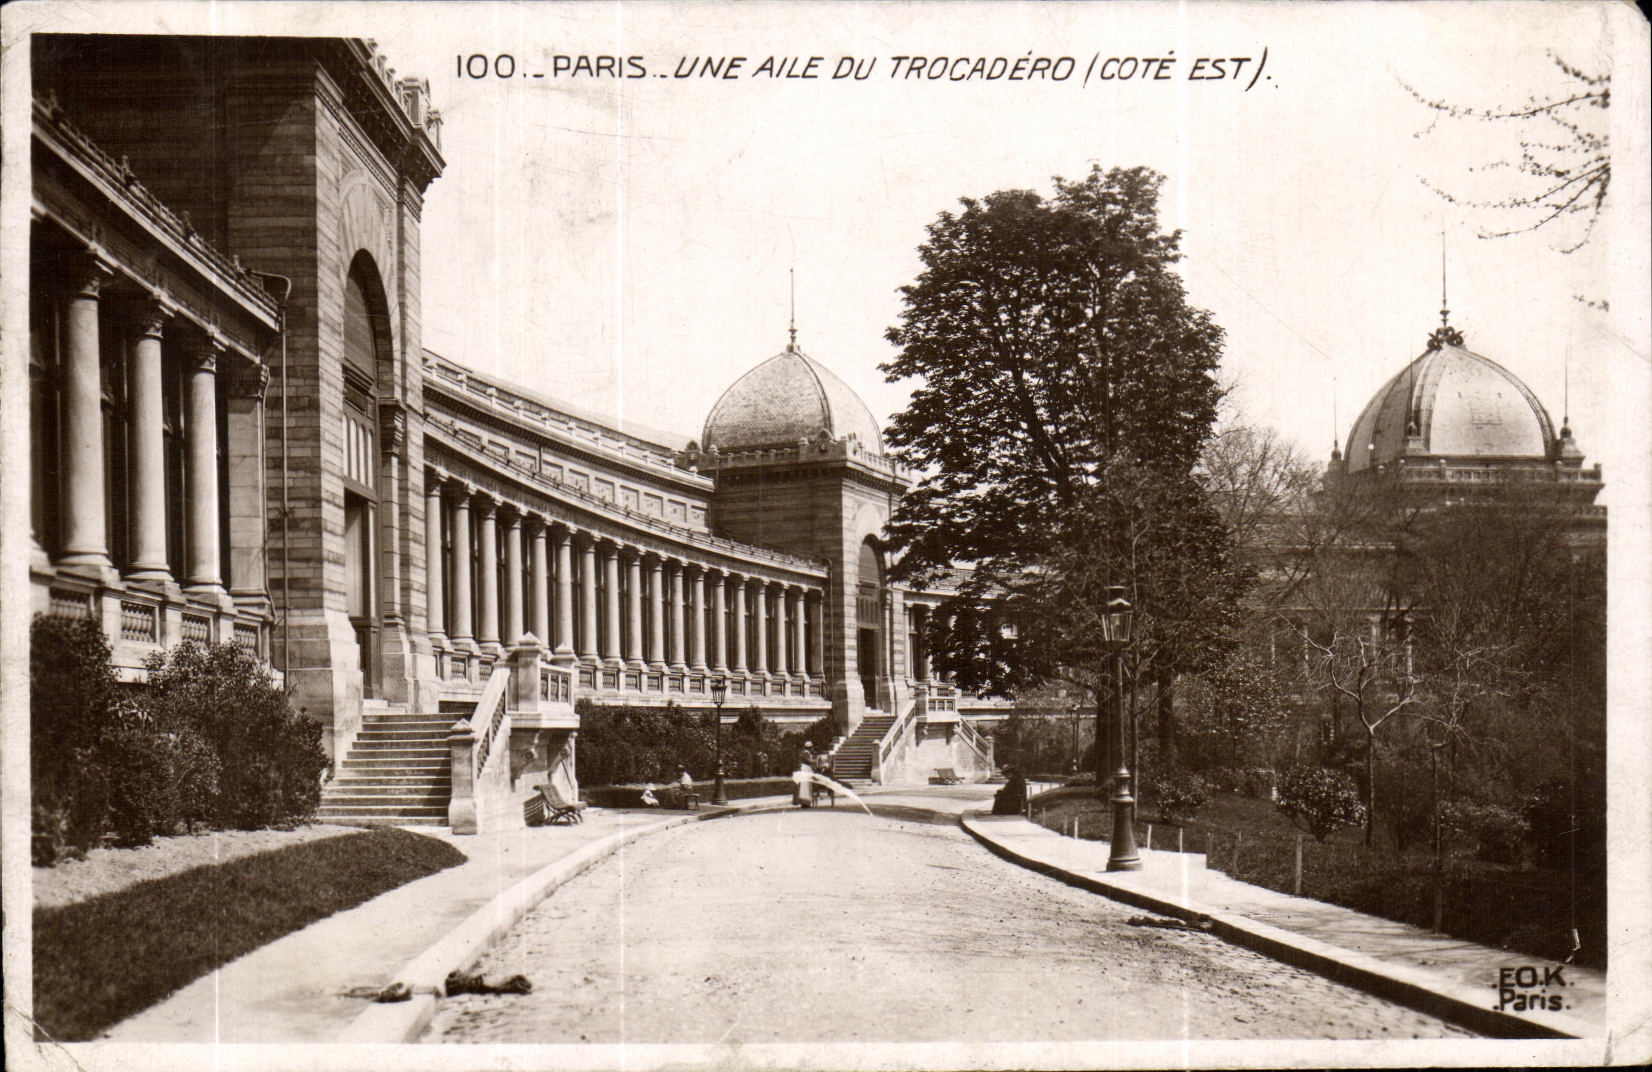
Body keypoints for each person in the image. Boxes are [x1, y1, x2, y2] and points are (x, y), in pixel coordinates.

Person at [793, 741, 815, 807]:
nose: (812, 749)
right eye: (811, 748)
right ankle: (805, 803)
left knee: (807, 786)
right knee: (804, 786)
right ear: (809, 748)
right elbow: (809, 761)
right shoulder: (805, 753)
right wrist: (815, 761)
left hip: (807, 770)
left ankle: (806, 802)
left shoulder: (807, 753)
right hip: (805, 770)